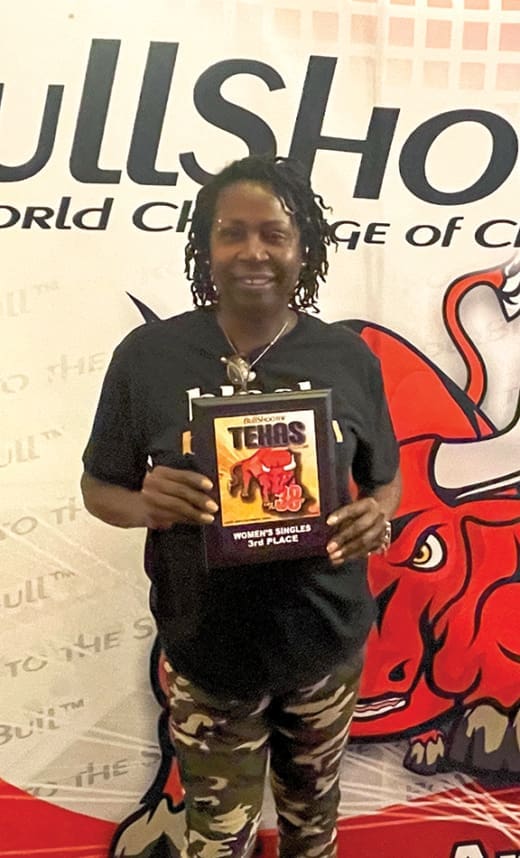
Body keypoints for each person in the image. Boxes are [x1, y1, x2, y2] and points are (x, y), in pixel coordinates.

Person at [81, 155, 401, 858]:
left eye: (273, 234)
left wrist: (377, 516)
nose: (253, 251)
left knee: (312, 830)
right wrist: (145, 505)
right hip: (208, 651)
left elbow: (386, 482)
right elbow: (98, 489)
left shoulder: (348, 357)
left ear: (303, 248)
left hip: (323, 644)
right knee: (218, 839)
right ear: (206, 245)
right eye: (232, 233)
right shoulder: (148, 356)